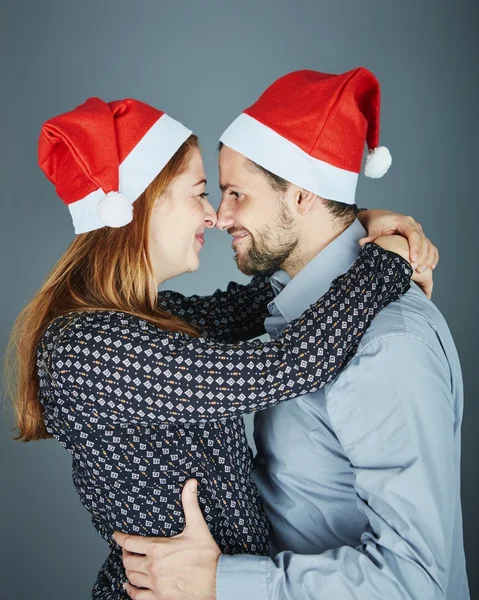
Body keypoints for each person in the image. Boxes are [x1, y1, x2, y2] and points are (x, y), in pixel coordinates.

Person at [5, 96, 428, 599]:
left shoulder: (153, 321)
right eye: (200, 193)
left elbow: (258, 300)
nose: (213, 216)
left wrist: (354, 223)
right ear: (142, 204)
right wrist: (390, 258)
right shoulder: (90, 349)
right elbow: (291, 364)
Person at [115, 68, 469, 600]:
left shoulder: (388, 344)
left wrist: (220, 584)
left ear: (302, 195)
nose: (221, 216)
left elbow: (414, 583)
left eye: (236, 192)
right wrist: (373, 225)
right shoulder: (288, 309)